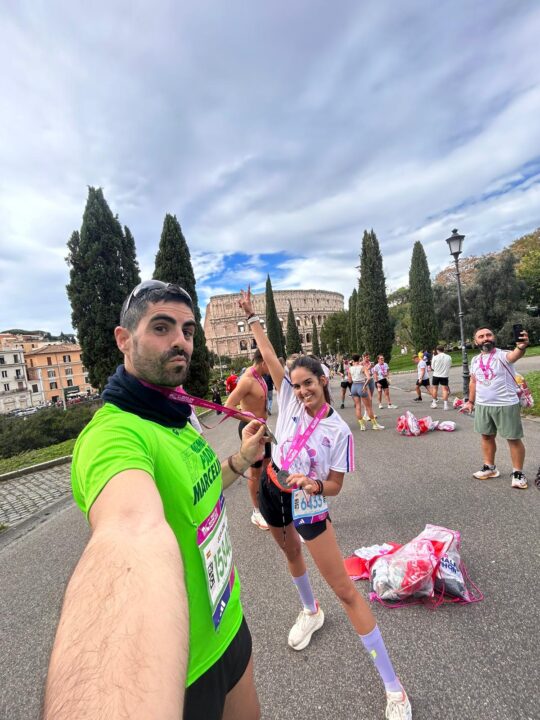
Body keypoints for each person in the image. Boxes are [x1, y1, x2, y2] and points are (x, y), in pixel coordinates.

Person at [43, 280, 268, 720]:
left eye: (186, 330)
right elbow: (131, 531)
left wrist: (241, 459)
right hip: (178, 673)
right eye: (161, 327)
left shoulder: (173, 414)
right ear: (123, 340)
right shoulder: (113, 436)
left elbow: (196, 491)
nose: (180, 341)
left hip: (226, 621)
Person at [238, 287, 411, 719]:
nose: (300, 392)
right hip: (274, 488)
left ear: (323, 382)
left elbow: (335, 485)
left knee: (345, 590)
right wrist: (252, 318)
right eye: (294, 386)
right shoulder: (287, 399)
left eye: (308, 384)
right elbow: (269, 354)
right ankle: (309, 611)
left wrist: (314, 486)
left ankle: (394, 689)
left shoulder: (339, 432)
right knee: (290, 552)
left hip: (309, 502)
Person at [462, 326, 530, 489]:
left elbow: (515, 355)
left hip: (506, 404)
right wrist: (470, 402)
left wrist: (521, 346)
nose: (485, 338)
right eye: (481, 336)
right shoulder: (475, 360)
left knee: (513, 439)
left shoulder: (502, 355)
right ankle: (490, 467)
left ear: (494, 337)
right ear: (475, 341)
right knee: (486, 436)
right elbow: (473, 381)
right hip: (483, 405)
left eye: (488, 335)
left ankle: (518, 473)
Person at [225, 349, 271, 530]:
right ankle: (256, 512)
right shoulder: (246, 380)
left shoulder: (260, 377)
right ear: (263, 362)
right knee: (255, 473)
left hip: (263, 429)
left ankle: (266, 504)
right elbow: (228, 407)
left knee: (267, 466)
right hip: (250, 430)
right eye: (270, 362)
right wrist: (252, 420)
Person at [349, 354, 384, 430]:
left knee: (358, 407)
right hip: (361, 385)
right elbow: (368, 378)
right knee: (368, 407)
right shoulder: (362, 367)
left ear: (353, 360)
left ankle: (362, 426)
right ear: (359, 359)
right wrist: (364, 386)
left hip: (354, 387)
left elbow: (349, 380)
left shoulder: (350, 368)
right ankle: (375, 425)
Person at [430, 346, 452, 410]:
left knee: (435, 389)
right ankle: (445, 405)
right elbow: (449, 365)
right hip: (444, 375)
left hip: (436, 375)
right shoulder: (448, 357)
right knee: (445, 390)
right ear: (443, 350)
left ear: (437, 350)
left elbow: (432, 367)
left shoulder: (435, 357)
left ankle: (434, 403)